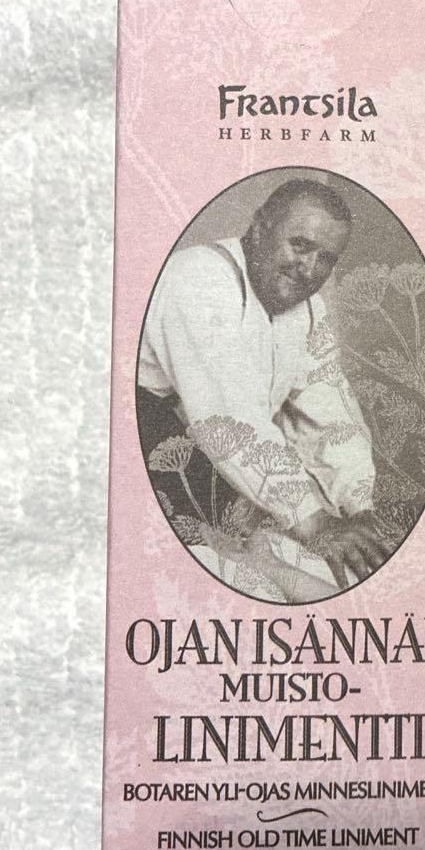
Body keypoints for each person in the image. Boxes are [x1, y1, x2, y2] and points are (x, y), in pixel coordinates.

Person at [137, 177, 388, 601]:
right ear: (259, 227)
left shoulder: (309, 309)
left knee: (328, 569)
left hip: (224, 461)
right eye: (300, 245)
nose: (309, 269)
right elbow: (228, 419)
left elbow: (329, 411)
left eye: (326, 259)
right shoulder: (199, 276)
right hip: (149, 445)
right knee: (247, 579)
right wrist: (314, 521)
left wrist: (359, 504)